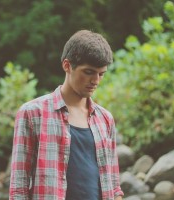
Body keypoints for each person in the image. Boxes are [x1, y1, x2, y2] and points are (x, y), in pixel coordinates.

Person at [9, 30, 124, 200]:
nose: (96, 81)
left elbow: (114, 186)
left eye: (101, 74)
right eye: (89, 72)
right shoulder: (32, 113)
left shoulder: (105, 119)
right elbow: (19, 188)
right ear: (67, 65)